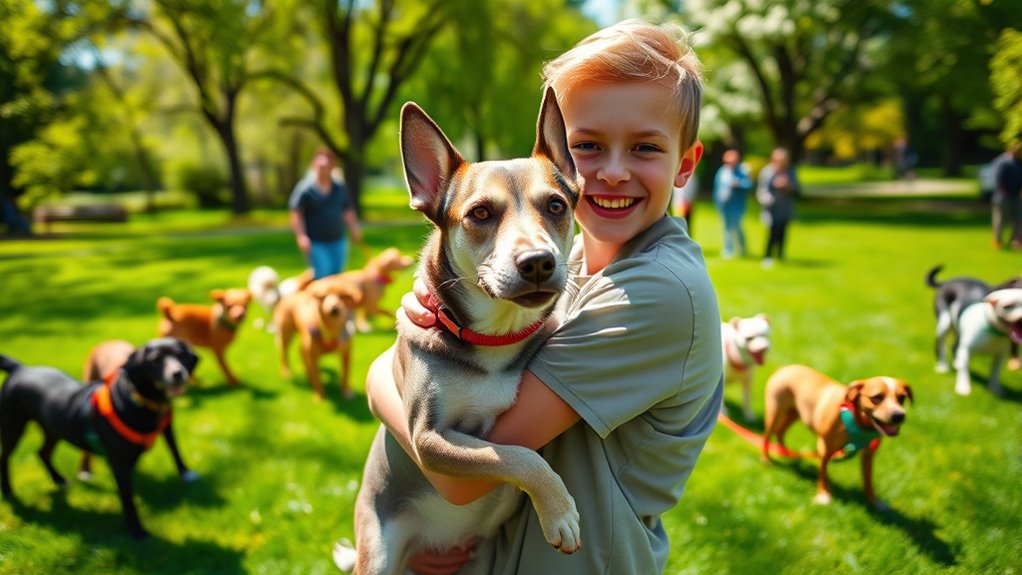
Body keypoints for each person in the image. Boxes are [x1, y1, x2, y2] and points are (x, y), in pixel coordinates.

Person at [346, 19, 723, 575]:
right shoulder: (563, 263)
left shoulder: (654, 295)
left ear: (685, 164)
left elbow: (451, 476)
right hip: (495, 551)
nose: (610, 173)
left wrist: (386, 374)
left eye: (645, 147)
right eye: (588, 146)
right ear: (564, 157)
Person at [288, 148, 363, 279]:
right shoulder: (305, 189)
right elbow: (296, 213)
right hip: (316, 242)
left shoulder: (339, 188)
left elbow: (347, 210)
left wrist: (354, 229)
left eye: (327, 166)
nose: (324, 169)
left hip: (338, 240)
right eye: (321, 166)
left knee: (338, 275)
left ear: (332, 167)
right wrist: (301, 236)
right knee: (323, 274)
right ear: (314, 166)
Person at [756, 147, 799, 268]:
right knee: (772, 232)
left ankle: (780, 254)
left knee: (783, 232)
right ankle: (767, 255)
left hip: (785, 207)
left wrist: (787, 186)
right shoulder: (767, 172)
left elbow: (797, 189)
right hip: (771, 207)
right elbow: (762, 190)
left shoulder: (790, 171)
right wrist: (767, 198)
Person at [712, 148, 752, 259]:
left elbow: (749, 184)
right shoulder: (722, 171)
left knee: (737, 227)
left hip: (737, 205)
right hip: (724, 205)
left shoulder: (742, 171)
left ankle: (743, 248)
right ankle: (728, 250)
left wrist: (738, 184)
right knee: (726, 228)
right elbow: (717, 188)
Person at [990, 140, 1022, 250]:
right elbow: (998, 180)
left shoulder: (1018, 163)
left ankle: (1016, 240)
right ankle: (998, 240)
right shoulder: (1002, 162)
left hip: (1015, 195)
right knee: (1000, 219)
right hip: (1002, 196)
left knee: (1018, 219)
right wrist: (1004, 192)